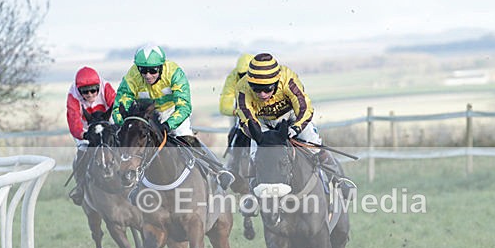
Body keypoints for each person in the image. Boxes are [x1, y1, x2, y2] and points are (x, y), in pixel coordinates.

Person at [112, 44, 233, 190]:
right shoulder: (132, 76)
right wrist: (124, 122)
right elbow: (120, 105)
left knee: (185, 136)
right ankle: (133, 181)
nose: (147, 75)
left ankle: (218, 171)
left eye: (152, 70)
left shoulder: (175, 73)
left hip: (172, 112)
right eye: (143, 70)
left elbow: (184, 106)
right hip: (146, 116)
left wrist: (169, 125)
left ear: (161, 67)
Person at [235, 53, 355, 192]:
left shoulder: (288, 79)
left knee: (314, 145)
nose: (262, 94)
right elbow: (246, 118)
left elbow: (304, 108)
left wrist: (295, 129)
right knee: (255, 155)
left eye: (267, 88)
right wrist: (260, 137)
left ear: (276, 82)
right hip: (261, 122)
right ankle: (252, 194)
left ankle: (338, 179)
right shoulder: (242, 88)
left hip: (290, 117)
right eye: (256, 89)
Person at [66, 66, 116, 205]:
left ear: (98, 86)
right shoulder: (72, 96)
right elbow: (74, 120)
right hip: (86, 127)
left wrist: (117, 125)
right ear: (78, 90)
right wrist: (83, 134)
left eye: (93, 90)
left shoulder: (106, 87)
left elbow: (116, 106)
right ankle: (80, 186)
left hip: (106, 122)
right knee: (82, 150)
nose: (89, 95)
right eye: (85, 92)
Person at [218, 53, 254, 191]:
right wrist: (239, 111)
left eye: (247, 74)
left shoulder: (262, 75)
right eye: (241, 74)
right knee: (235, 134)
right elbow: (224, 106)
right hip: (243, 114)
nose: (244, 78)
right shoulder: (233, 77)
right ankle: (231, 168)